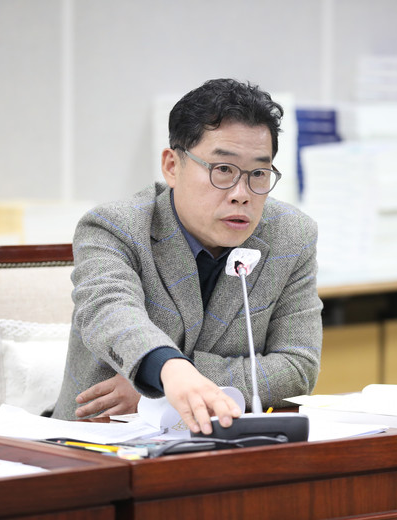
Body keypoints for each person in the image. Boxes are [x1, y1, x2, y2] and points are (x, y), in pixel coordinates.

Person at [52, 78, 323, 434]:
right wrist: (164, 368)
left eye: (258, 173)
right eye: (223, 169)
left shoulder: (291, 236)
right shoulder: (115, 226)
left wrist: (166, 385)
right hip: (100, 441)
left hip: (225, 442)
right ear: (172, 166)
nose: (242, 194)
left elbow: (297, 367)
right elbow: (110, 313)